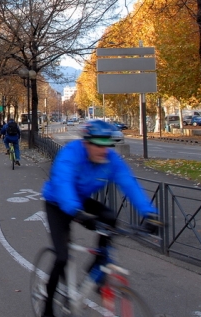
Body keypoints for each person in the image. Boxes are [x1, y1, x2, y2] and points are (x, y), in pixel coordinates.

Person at [39, 119, 158, 317]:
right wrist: (78, 214)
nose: (103, 150)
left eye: (107, 145)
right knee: (62, 257)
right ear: (86, 142)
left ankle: (97, 264)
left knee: (110, 217)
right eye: (98, 145)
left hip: (81, 199)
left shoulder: (110, 159)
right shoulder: (71, 154)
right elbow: (63, 182)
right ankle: (47, 308)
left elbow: (129, 184)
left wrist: (151, 214)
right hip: (58, 202)